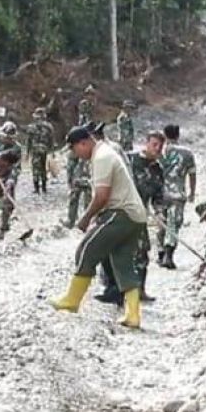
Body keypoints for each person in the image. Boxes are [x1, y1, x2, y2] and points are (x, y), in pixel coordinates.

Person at [49, 126, 148, 328]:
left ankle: (71, 300)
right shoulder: (105, 153)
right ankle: (133, 314)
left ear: (83, 143)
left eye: (75, 149)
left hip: (121, 213)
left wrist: (86, 218)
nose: (76, 155)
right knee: (123, 263)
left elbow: (102, 196)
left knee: (87, 249)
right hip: (135, 216)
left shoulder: (102, 157)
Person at [96, 131, 166, 306]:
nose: (157, 149)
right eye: (155, 144)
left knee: (142, 252)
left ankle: (139, 289)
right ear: (146, 143)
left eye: (160, 146)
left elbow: (159, 195)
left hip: (140, 215)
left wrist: (159, 213)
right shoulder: (129, 161)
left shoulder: (157, 169)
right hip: (120, 210)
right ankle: (112, 289)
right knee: (113, 250)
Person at [156, 124, 196, 269]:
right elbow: (192, 174)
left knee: (161, 222)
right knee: (174, 224)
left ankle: (160, 253)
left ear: (165, 135)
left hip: (160, 193)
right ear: (178, 135)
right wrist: (192, 192)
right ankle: (169, 254)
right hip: (178, 194)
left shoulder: (159, 150)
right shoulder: (187, 153)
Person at [26, 108, 56, 195]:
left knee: (36, 168)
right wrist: (52, 151)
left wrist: (27, 153)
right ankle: (43, 187)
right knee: (43, 168)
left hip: (36, 150)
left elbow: (28, 141)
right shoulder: (49, 126)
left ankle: (37, 188)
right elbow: (52, 140)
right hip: (44, 150)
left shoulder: (31, 127)